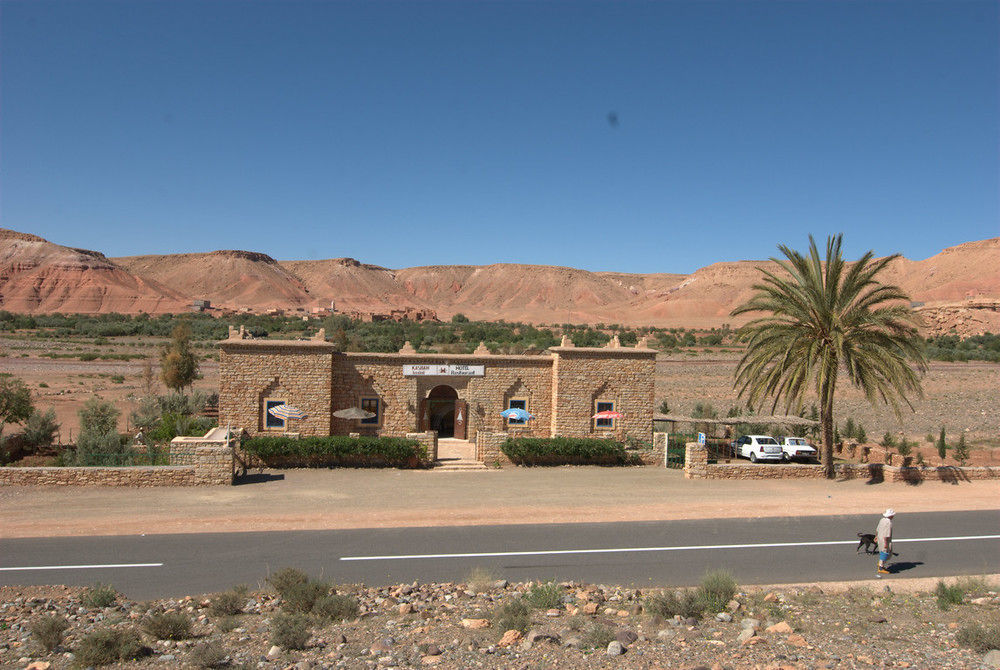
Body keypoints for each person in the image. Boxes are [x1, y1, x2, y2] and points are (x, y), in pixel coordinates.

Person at [876, 508, 895, 575]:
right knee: (886, 553)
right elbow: (886, 535)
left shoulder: (882, 520)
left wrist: (876, 536)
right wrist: (886, 543)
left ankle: (881, 563)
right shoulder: (888, 523)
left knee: (883, 552)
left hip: (879, 538)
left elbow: (877, 529)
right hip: (885, 540)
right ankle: (881, 566)